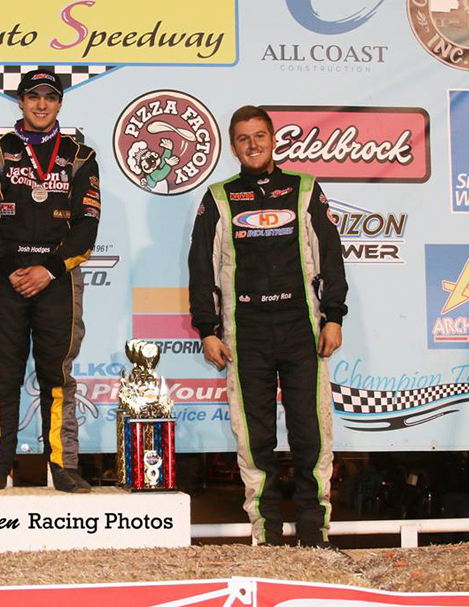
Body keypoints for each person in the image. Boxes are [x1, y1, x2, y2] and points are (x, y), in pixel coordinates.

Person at [188, 106, 348, 547]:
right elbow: (200, 268)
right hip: (245, 334)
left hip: (302, 330)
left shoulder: (304, 188)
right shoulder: (219, 197)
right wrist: (207, 329)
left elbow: (331, 256)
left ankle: (315, 534)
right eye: (243, 138)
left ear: (273, 139)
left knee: (312, 434)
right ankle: (267, 535)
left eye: (260, 135)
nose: (253, 144)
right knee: (253, 438)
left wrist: (334, 317)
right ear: (233, 146)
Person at [0, 69, 101, 493]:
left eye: (50, 97)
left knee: (57, 376)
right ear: (20, 101)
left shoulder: (80, 156)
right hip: (5, 277)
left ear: (60, 104)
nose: (41, 104)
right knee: (2, 377)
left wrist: (49, 269)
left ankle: (63, 466)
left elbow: (87, 226)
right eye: (33, 97)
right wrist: (10, 268)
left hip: (58, 279)